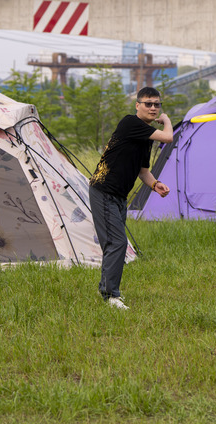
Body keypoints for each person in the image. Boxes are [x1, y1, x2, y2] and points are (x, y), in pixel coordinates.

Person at [89, 86, 173, 310]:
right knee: (117, 242)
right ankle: (110, 296)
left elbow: (143, 171)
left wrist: (155, 184)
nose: (154, 108)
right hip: (103, 190)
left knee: (113, 243)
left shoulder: (145, 138)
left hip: (118, 195)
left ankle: (109, 290)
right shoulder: (130, 123)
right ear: (138, 105)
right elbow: (168, 136)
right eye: (148, 104)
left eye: (157, 105)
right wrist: (166, 120)